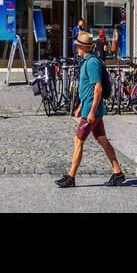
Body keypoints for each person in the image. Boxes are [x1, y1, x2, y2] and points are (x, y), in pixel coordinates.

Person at [55, 32, 124, 189]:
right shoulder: (87, 61)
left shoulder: (92, 63)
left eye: (78, 46)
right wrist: (80, 106)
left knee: (78, 140)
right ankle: (118, 172)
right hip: (89, 108)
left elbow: (97, 88)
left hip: (91, 111)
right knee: (102, 140)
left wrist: (91, 111)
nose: (76, 49)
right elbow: (87, 89)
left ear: (81, 47)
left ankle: (71, 177)